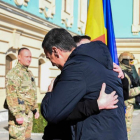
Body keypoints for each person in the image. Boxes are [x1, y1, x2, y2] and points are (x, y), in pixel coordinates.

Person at [41, 28, 127, 140]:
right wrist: (95, 105)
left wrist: (49, 92)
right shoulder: (102, 65)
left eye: (49, 57)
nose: (52, 63)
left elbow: (51, 112)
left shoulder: (76, 68)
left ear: (56, 51)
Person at [6, 48, 39, 140]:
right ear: (19, 57)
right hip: (19, 116)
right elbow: (11, 95)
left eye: (30, 57)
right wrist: (17, 114)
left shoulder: (29, 73)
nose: (29, 59)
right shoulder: (14, 73)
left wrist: (35, 109)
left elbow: (32, 93)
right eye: (26, 56)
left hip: (28, 115)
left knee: (27, 138)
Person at [119, 52, 140, 140]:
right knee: (125, 130)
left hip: (129, 106)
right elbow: (126, 92)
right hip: (125, 105)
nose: (132, 64)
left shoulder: (129, 72)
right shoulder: (122, 74)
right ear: (125, 61)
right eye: (130, 62)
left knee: (128, 129)